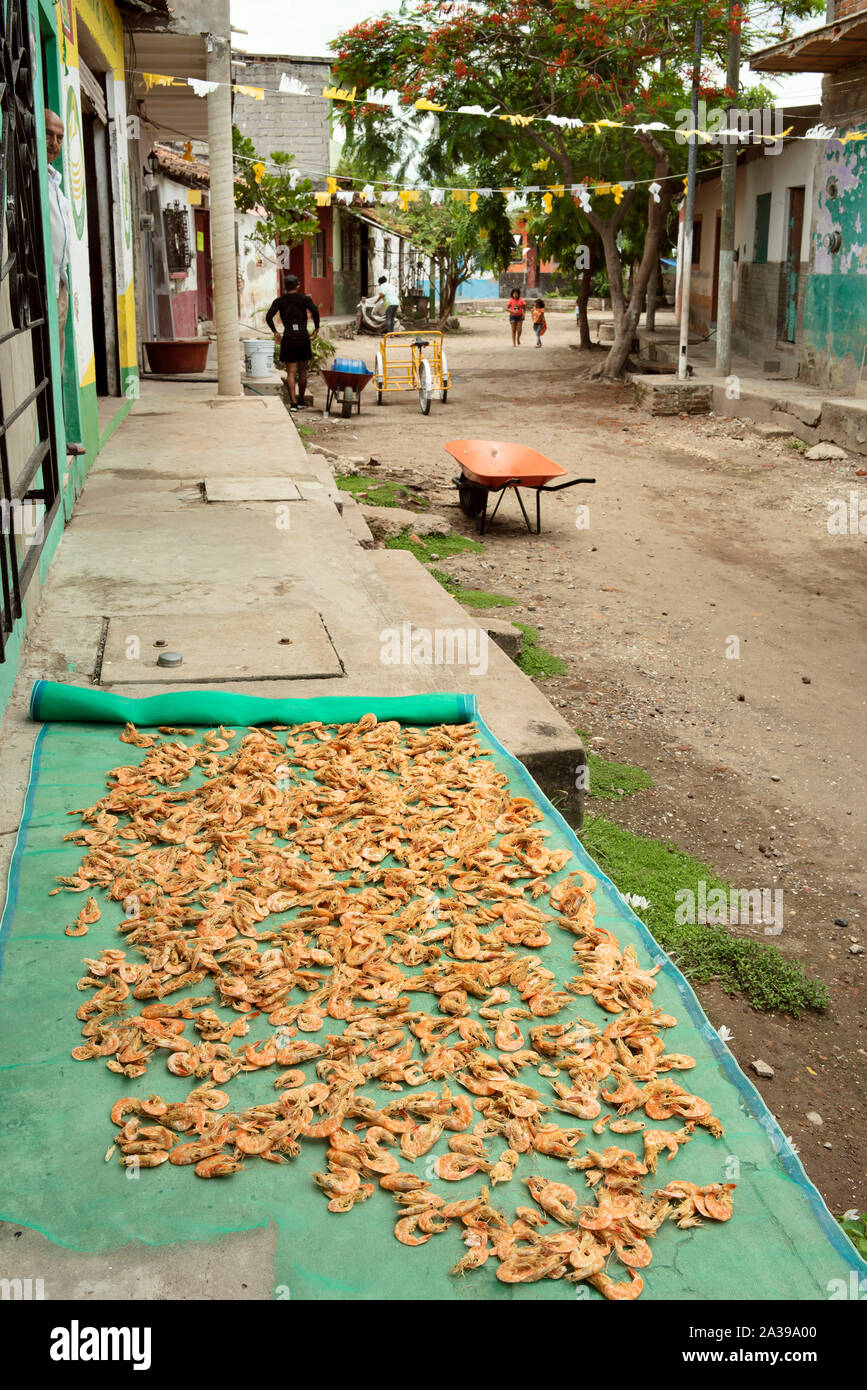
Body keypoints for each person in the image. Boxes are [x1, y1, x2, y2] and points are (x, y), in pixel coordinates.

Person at [45, 108, 84, 456]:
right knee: (40, 369)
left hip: (57, 284)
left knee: (55, 366)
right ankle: (47, 443)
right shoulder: (29, 178)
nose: (54, 142)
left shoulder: (54, 179)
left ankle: (57, 439)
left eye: (59, 136)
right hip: (33, 286)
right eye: (48, 134)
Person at [265, 274, 320, 411]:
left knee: (291, 372)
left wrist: (275, 332)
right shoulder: (305, 299)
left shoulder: (279, 301)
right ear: (298, 285)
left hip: (288, 337)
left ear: (285, 286)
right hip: (302, 338)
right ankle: (301, 401)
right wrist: (317, 328)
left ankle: (293, 403)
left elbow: (268, 317)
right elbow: (315, 311)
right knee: (302, 371)